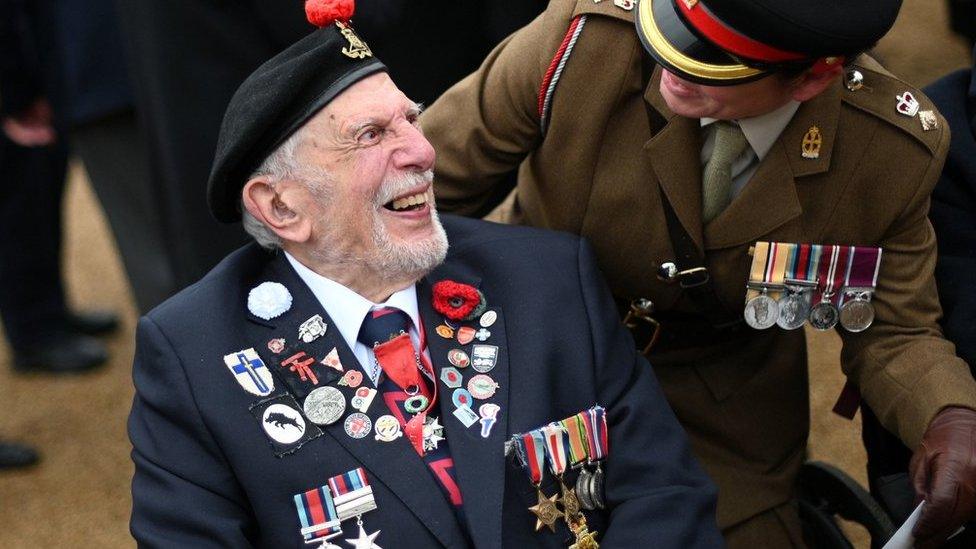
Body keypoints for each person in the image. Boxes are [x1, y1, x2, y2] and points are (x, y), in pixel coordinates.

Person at [127, 3, 722, 547]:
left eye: (409, 120)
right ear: (282, 208)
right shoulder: (192, 355)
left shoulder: (549, 277)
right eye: (371, 136)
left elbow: (663, 496)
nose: (422, 150)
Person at [421, 0, 976, 546]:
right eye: (672, 33)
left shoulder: (887, 151)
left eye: (710, 61)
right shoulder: (583, 44)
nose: (670, 67)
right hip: (532, 350)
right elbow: (421, 191)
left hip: (719, 399)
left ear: (813, 77)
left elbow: (896, 330)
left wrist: (951, 415)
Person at [0, 0, 116, 373]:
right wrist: (14, 96)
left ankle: (50, 310)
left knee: (42, 201)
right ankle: (35, 333)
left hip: (38, 73)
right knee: (19, 212)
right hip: (15, 88)